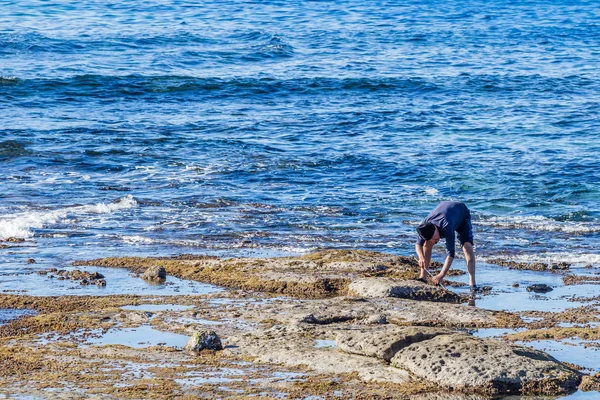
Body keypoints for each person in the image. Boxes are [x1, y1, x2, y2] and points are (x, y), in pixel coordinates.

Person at [415, 201, 476, 291]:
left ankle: (472, 282)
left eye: (434, 238)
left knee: (466, 247)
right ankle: (423, 277)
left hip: (462, 214)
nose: (434, 241)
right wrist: (421, 257)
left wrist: (441, 275)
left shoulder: (446, 227)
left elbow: (451, 254)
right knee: (427, 244)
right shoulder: (424, 227)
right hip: (446, 210)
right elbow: (418, 245)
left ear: (435, 230)